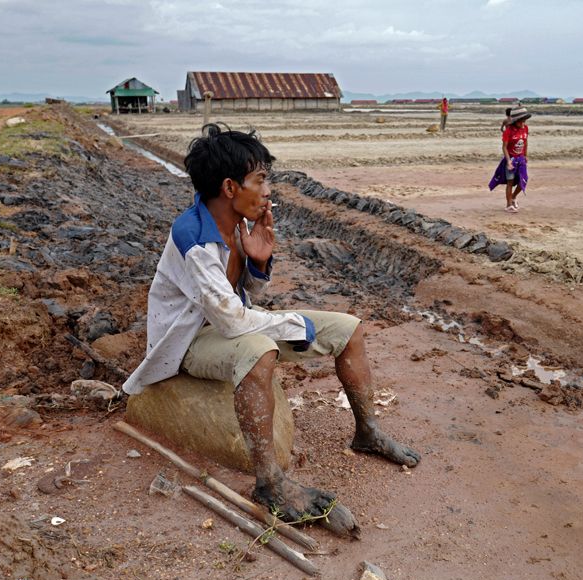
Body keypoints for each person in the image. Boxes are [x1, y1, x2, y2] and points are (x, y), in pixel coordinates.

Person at [122, 124, 420, 519]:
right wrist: (298, 328)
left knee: (349, 328)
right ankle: (269, 482)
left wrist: (258, 263)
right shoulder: (193, 236)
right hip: (191, 341)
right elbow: (231, 321)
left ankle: (368, 433)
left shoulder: (236, 227)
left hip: (230, 324)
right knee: (261, 349)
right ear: (230, 188)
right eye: (260, 180)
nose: (267, 191)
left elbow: (244, 297)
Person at [488, 106, 530, 212]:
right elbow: (504, 147)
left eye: (524, 121)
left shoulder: (525, 128)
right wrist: (508, 161)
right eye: (520, 122)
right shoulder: (508, 131)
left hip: (520, 159)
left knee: (523, 180)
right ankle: (508, 204)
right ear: (515, 121)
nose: (522, 124)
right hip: (511, 158)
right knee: (510, 181)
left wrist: (525, 155)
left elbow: (525, 143)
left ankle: (513, 197)